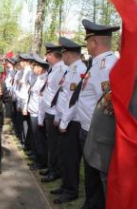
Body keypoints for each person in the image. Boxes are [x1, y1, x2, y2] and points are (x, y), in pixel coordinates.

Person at [74, 19, 119, 209]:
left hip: (96, 133)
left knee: (97, 181)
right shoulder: (99, 63)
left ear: (94, 42)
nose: (86, 45)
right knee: (91, 180)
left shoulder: (106, 66)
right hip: (88, 129)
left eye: (87, 41)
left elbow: (108, 105)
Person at [50, 37, 87, 204]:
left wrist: (63, 122)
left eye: (63, 53)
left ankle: (71, 190)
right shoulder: (70, 69)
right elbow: (63, 97)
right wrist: (58, 117)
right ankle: (65, 185)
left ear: (68, 54)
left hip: (73, 122)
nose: (62, 56)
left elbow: (73, 100)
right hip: (66, 120)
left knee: (71, 159)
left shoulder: (80, 70)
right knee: (65, 156)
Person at [38, 43, 67, 183]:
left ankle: (55, 170)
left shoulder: (61, 69)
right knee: (51, 143)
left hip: (54, 111)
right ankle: (52, 168)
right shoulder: (54, 69)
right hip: (49, 110)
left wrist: (57, 115)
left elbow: (61, 94)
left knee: (55, 145)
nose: (46, 58)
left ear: (51, 55)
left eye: (47, 55)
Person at [27, 54, 49, 171]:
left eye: (35, 67)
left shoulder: (44, 79)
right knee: (36, 139)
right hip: (34, 111)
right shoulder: (39, 78)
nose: (33, 69)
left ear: (41, 68)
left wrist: (40, 118)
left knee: (39, 140)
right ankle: (37, 158)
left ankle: (41, 162)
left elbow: (42, 100)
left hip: (38, 113)